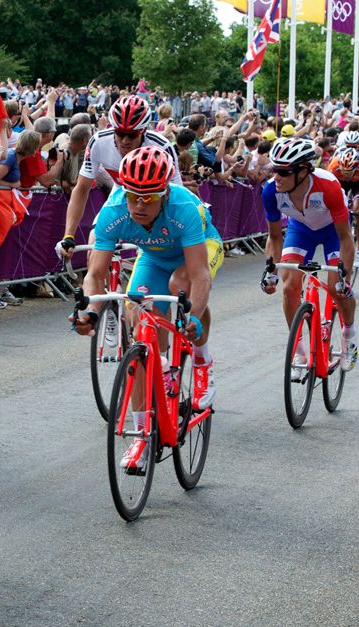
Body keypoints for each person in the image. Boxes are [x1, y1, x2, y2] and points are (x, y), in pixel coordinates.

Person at [71, 147, 223, 473]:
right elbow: (95, 275)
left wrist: (193, 316)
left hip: (196, 252)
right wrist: (92, 312)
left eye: (149, 197)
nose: (140, 204)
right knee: (136, 312)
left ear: (165, 192)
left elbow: (200, 276)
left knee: (180, 287)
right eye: (133, 196)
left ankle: (202, 359)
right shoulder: (114, 211)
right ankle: (142, 429)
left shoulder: (184, 208)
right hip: (154, 256)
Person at [261, 138, 358, 372]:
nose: (277, 176)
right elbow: (275, 237)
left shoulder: (328, 186)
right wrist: (271, 271)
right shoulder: (271, 191)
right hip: (301, 229)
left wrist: (344, 276)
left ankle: (349, 335)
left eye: (284, 172)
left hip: (333, 231)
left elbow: (345, 237)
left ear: (303, 171)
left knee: (337, 289)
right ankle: (298, 351)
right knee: (289, 286)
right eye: (275, 169)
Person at [56, 95, 181, 258]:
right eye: (120, 133)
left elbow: (177, 195)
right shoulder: (99, 142)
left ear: (143, 131)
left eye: (132, 135)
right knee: (94, 252)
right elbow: (81, 189)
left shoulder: (161, 146)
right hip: (121, 194)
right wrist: (68, 235)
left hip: (153, 204)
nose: (125, 141)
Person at [326, 148, 359, 266]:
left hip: (358, 184)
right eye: (344, 172)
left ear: (355, 168)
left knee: (358, 212)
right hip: (339, 183)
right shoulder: (333, 167)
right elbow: (326, 190)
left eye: (349, 172)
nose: (346, 175)